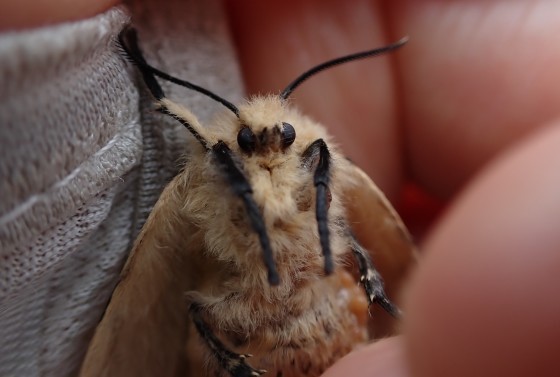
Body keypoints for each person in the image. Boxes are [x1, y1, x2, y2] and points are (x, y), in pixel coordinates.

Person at [2, 1, 559, 377]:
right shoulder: (202, 179)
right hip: (248, 335)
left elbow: (357, 222)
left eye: (281, 137)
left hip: (339, 322)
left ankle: (392, 303)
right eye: (250, 142)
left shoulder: (320, 157)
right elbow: (175, 111)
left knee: (359, 250)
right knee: (202, 313)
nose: (268, 146)